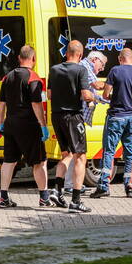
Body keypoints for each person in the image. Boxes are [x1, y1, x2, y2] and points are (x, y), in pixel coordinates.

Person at [0, 45, 53, 208]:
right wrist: (43, 125)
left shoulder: (7, 77)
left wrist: (1, 124)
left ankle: (3, 197)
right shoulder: (33, 78)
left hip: (10, 124)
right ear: (33, 60)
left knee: (9, 161)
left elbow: (1, 104)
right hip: (28, 125)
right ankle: (44, 198)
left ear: (19, 58)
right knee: (39, 162)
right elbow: (36, 104)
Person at [92, 47, 132, 199]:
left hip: (116, 117)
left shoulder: (115, 71)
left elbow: (106, 94)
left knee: (109, 152)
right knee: (130, 154)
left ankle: (103, 186)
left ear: (119, 58)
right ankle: (130, 186)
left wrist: (114, 97)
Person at [48, 39, 95, 212]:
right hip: (73, 117)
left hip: (56, 116)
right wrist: (92, 97)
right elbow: (85, 94)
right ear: (80, 55)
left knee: (66, 155)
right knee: (80, 157)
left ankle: (57, 191)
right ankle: (75, 201)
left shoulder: (54, 69)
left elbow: (49, 94)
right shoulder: (81, 69)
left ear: (66, 53)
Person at [59, 49, 108, 199]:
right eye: (102, 64)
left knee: (72, 153)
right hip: (75, 116)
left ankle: (69, 184)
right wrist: (113, 84)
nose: (102, 68)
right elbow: (97, 85)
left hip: (68, 115)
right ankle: (69, 186)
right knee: (77, 153)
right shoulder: (85, 66)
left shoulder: (82, 66)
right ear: (94, 60)